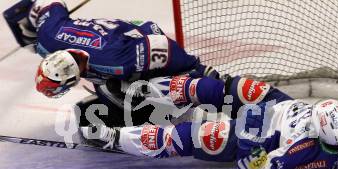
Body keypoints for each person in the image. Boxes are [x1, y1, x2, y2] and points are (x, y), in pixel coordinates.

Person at [79, 72, 338, 169]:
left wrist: (252, 143)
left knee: (205, 136)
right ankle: (144, 89)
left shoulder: (301, 156)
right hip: (280, 106)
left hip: (263, 135)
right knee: (237, 87)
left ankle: (115, 138)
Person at [5, 0, 218, 126]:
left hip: (140, 41)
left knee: (125, 93)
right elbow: (48, 4)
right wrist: (26, 18)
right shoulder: (48, 37)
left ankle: (187, 103)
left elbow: (159, 45)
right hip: (119, 47)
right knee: (97, 106)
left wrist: (196, 69)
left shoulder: (114, 61)